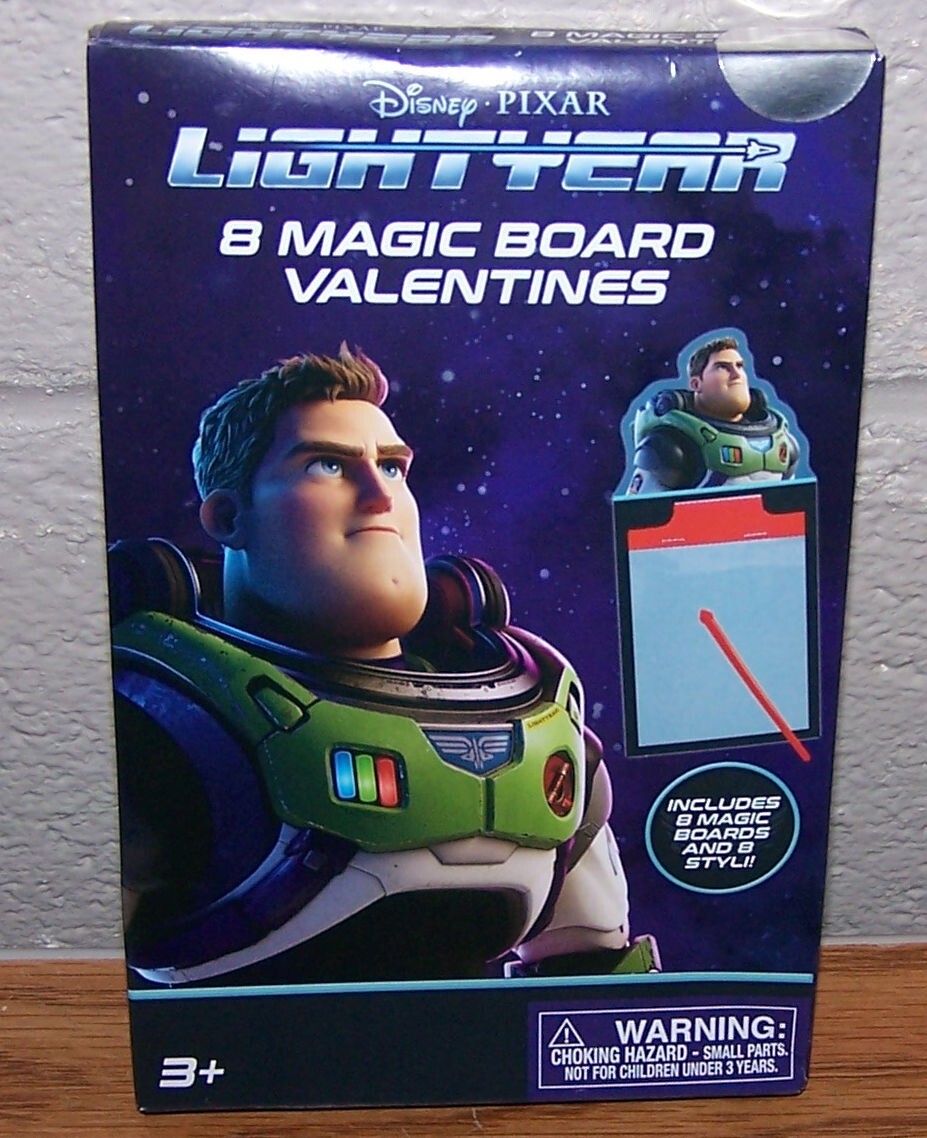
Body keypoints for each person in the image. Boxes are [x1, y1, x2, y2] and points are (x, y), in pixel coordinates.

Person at [110, 345, 657, 985]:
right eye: (327, 465)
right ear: (229, 516)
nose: (378, 495)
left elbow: (593, 980)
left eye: (393, 467)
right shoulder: (162, 728)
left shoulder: (539, 719)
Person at [627, 335, 800, 494]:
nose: (736, 374)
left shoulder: (782, 442)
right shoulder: (672, 446)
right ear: (696, 384)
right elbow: (638, 512)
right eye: (722, 367)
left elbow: (791, 504)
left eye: (739, 366)